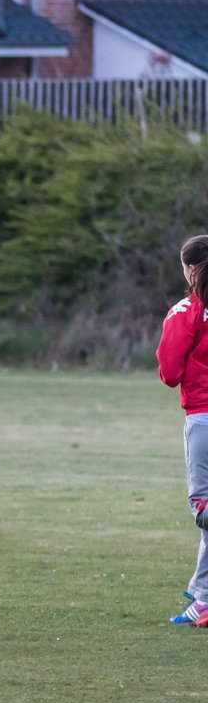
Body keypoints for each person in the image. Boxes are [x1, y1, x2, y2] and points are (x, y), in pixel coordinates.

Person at [156, 234, 208, 627]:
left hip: (203, 418)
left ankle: (204, 598)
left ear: (190, 268)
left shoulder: (185, 311)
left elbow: (169, 374)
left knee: (203, 507)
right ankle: (203, 596)